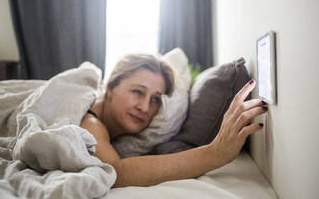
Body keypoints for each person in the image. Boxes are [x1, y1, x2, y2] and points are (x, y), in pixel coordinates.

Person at [80, 53, 267, 188]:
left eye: (155, 99)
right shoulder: (90, 121)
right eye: (137, 92)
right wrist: (215, 153)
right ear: (111, 87)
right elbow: (115, 172)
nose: (145, 107)